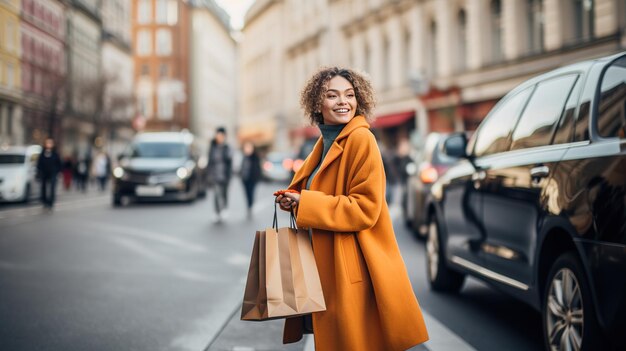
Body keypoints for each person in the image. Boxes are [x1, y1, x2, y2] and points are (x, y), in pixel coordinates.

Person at [275, 67, 429, 350]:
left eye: (349, 95)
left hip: (349, 264)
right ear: (317, 104)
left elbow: (365, 208)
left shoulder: (361, 139)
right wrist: (294, 200)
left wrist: (306, 203)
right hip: (324, 260)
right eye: (332, 95)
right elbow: (317, 192)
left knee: (351, 342)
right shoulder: (325, 141)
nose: (343, 101)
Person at [207, 127, 232, 222]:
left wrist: (229, 175)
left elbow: (230, 161)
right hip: (215, 175)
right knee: (216, 194)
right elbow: (209, 161)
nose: (219, 137)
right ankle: (217, 212)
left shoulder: (227, 147)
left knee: (224, 193)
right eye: (218, 135)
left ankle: (224, 208)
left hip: (225, 174)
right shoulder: (212, 147)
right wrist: (208, 174)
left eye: (221, 136)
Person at [37, 138, 62, 210]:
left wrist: (58, 171)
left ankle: (51, 202)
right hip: (44, 173)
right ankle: (44, 201)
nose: (49, 144)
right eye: (47, 143)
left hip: (53, 173)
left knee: (52, 187)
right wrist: (39, 171)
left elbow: (59, 163)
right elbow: (39, 163)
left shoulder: (55, 154)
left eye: (50, 143)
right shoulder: (42, 153)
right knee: (43, 187)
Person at [240, 141, 262, 219]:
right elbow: (241, 167)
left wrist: (257, 177)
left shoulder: (255, 157)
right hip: (245, 178)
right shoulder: (244, 157)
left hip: (252, 178)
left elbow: (258, 168)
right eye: (246, 148)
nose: (247, 149)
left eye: (249, 148)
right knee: (247, 193)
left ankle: (250, 206)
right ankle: (249, 206)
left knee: (251, 193)